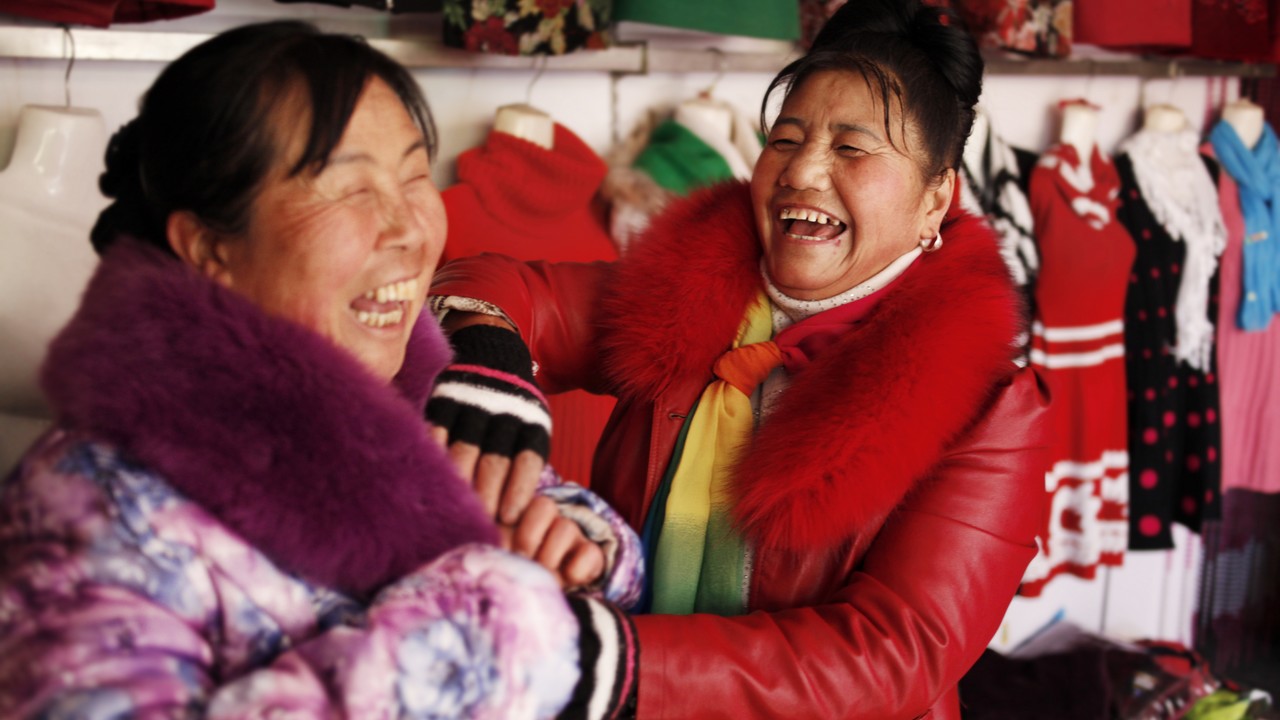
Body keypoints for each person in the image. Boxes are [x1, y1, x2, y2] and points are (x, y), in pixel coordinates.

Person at [0, 21, 642, 719]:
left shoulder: (412, 407)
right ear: (212, 246)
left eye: (414, 175)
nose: (407, 228)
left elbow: (581, 524)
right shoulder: (93, 511)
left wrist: (580, 545)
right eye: (350, 190)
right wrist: (496, 615)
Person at [429, 1, 1052, 717]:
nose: (803, 172)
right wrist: (485, 351)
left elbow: (890, 654)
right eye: (785, 139)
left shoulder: (991, 415)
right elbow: (504, 288)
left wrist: (623, 665)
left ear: (934, 199)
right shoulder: (683, 300)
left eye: (851, 149)